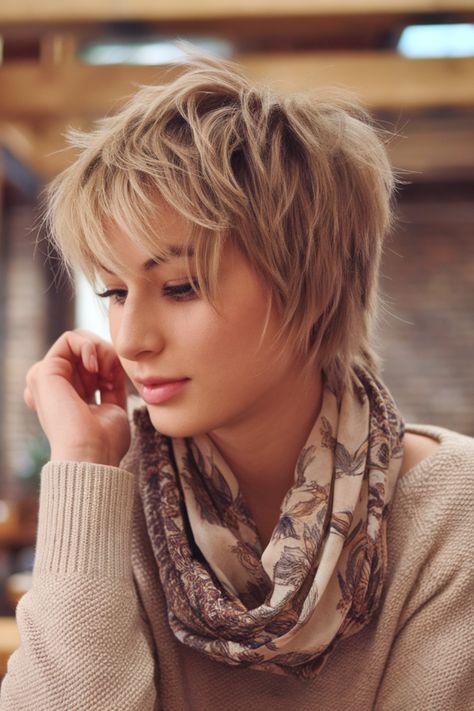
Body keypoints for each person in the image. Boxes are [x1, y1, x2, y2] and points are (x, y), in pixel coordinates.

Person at [0, 52, 473, 711]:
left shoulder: (452, 510)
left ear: (312, 282)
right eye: (112, 290)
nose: (131, 338)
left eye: (180, 286)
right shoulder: (113, 496)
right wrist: (81, 465)